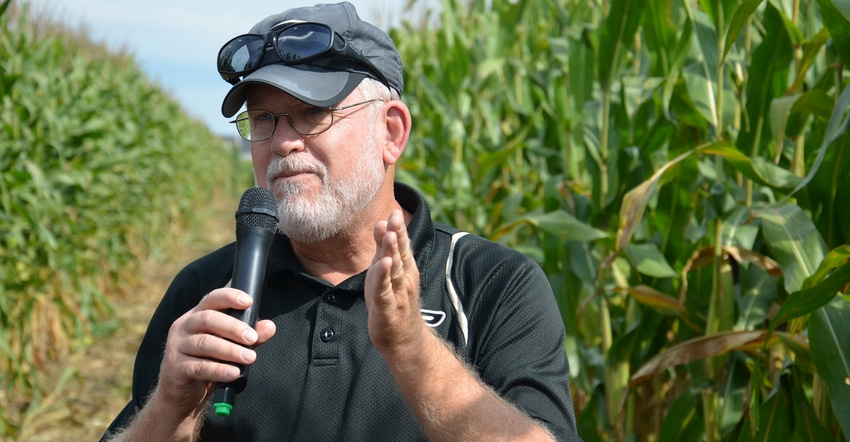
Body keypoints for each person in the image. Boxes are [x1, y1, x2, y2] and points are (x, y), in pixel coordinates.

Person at [101, 2, 580, 441]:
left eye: (311, 113)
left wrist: (410, 346)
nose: (282, 142)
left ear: (390, 132)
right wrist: (169, 409)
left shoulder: (489, 284)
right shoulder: (207, 292)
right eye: (263, 119)